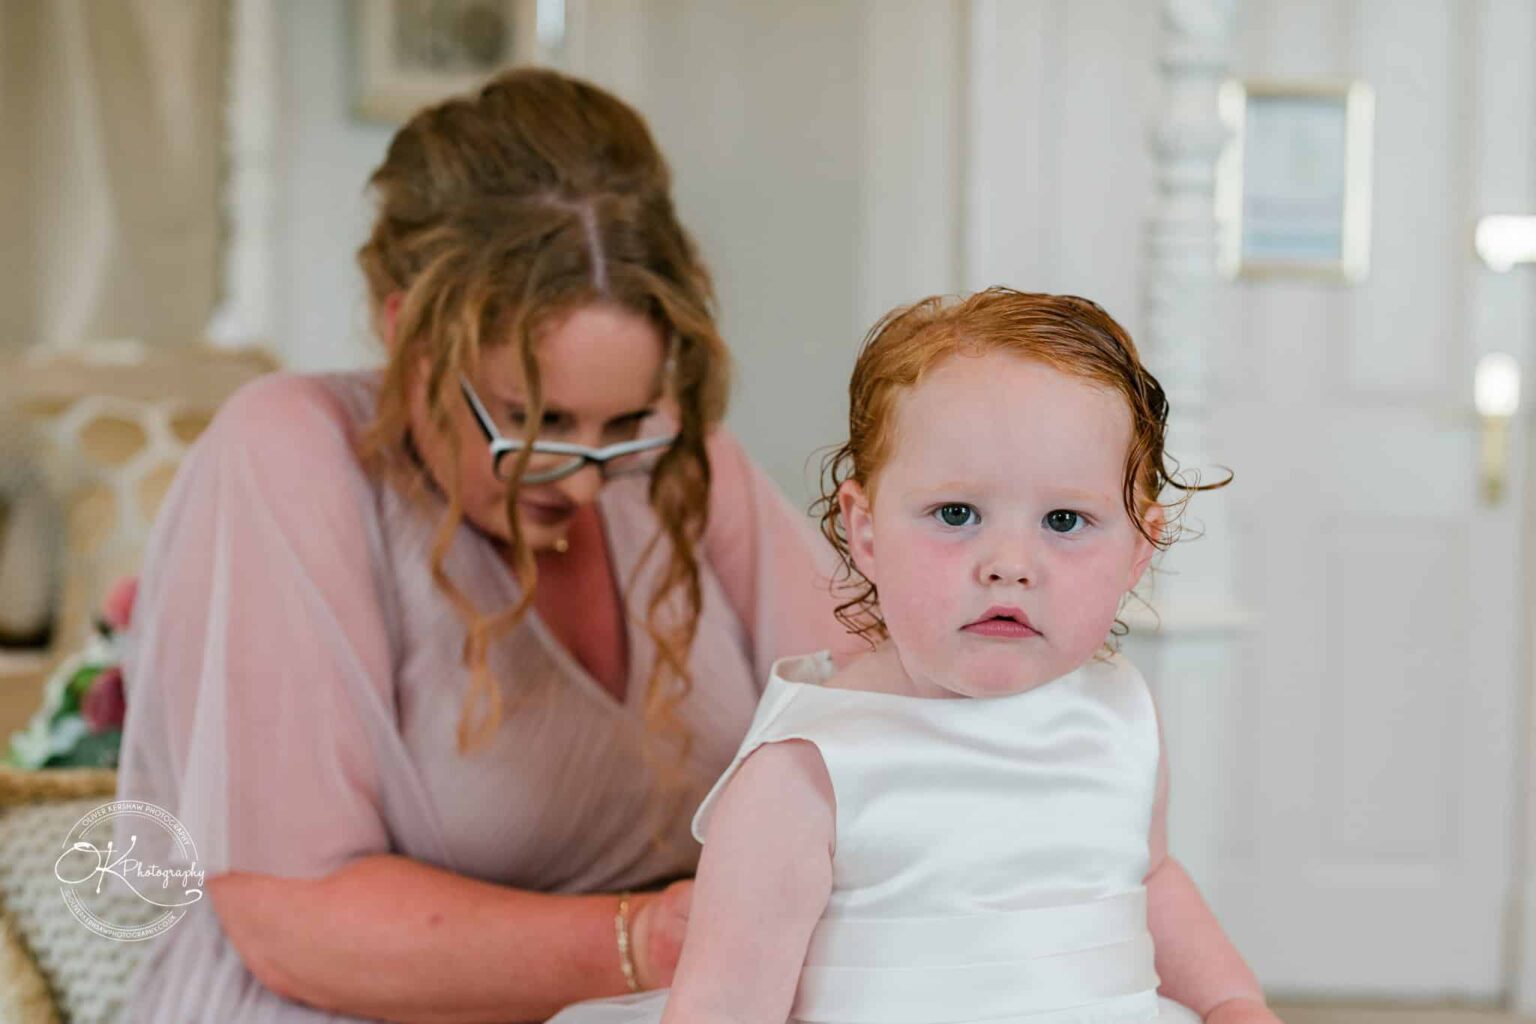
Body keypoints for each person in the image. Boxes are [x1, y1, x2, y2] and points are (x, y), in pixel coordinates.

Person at [114, 69, 850, 1022]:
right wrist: (657, 940)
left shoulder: (677, 465)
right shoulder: (292, 448)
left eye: (623, 421)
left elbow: (874, 711)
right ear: (407, 336)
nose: (582, 483)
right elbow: (293, 920)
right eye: (532, 424)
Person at [546, 288, 1278, 1024]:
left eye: (1065, 520)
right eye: (957, 514)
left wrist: (1230, 1002)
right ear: (865, 532)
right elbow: (726, 1006)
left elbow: (1149, 879)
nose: (1009, 564)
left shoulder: (1119, 714)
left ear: (1138, 551)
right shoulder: (809, 770)